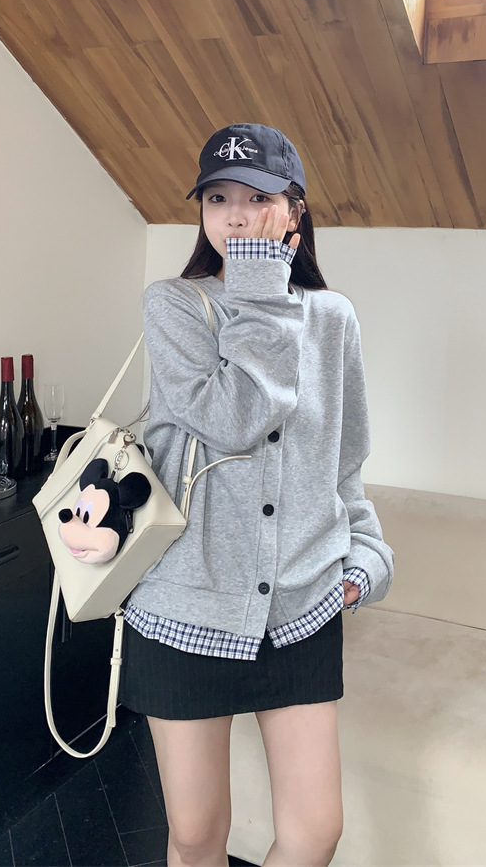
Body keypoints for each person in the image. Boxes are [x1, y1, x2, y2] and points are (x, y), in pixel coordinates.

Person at [119, 123, 393, 867]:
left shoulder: (333, 319)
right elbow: (234, 419)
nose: (235, 217)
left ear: (294, 212)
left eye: (257, 199)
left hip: (302, 609)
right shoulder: (175, 305)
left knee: (316, 831)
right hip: (185, 606)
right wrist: (259, 287)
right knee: (196, 836)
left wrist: (364, 561)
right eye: (217, 199)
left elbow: (345, 462)